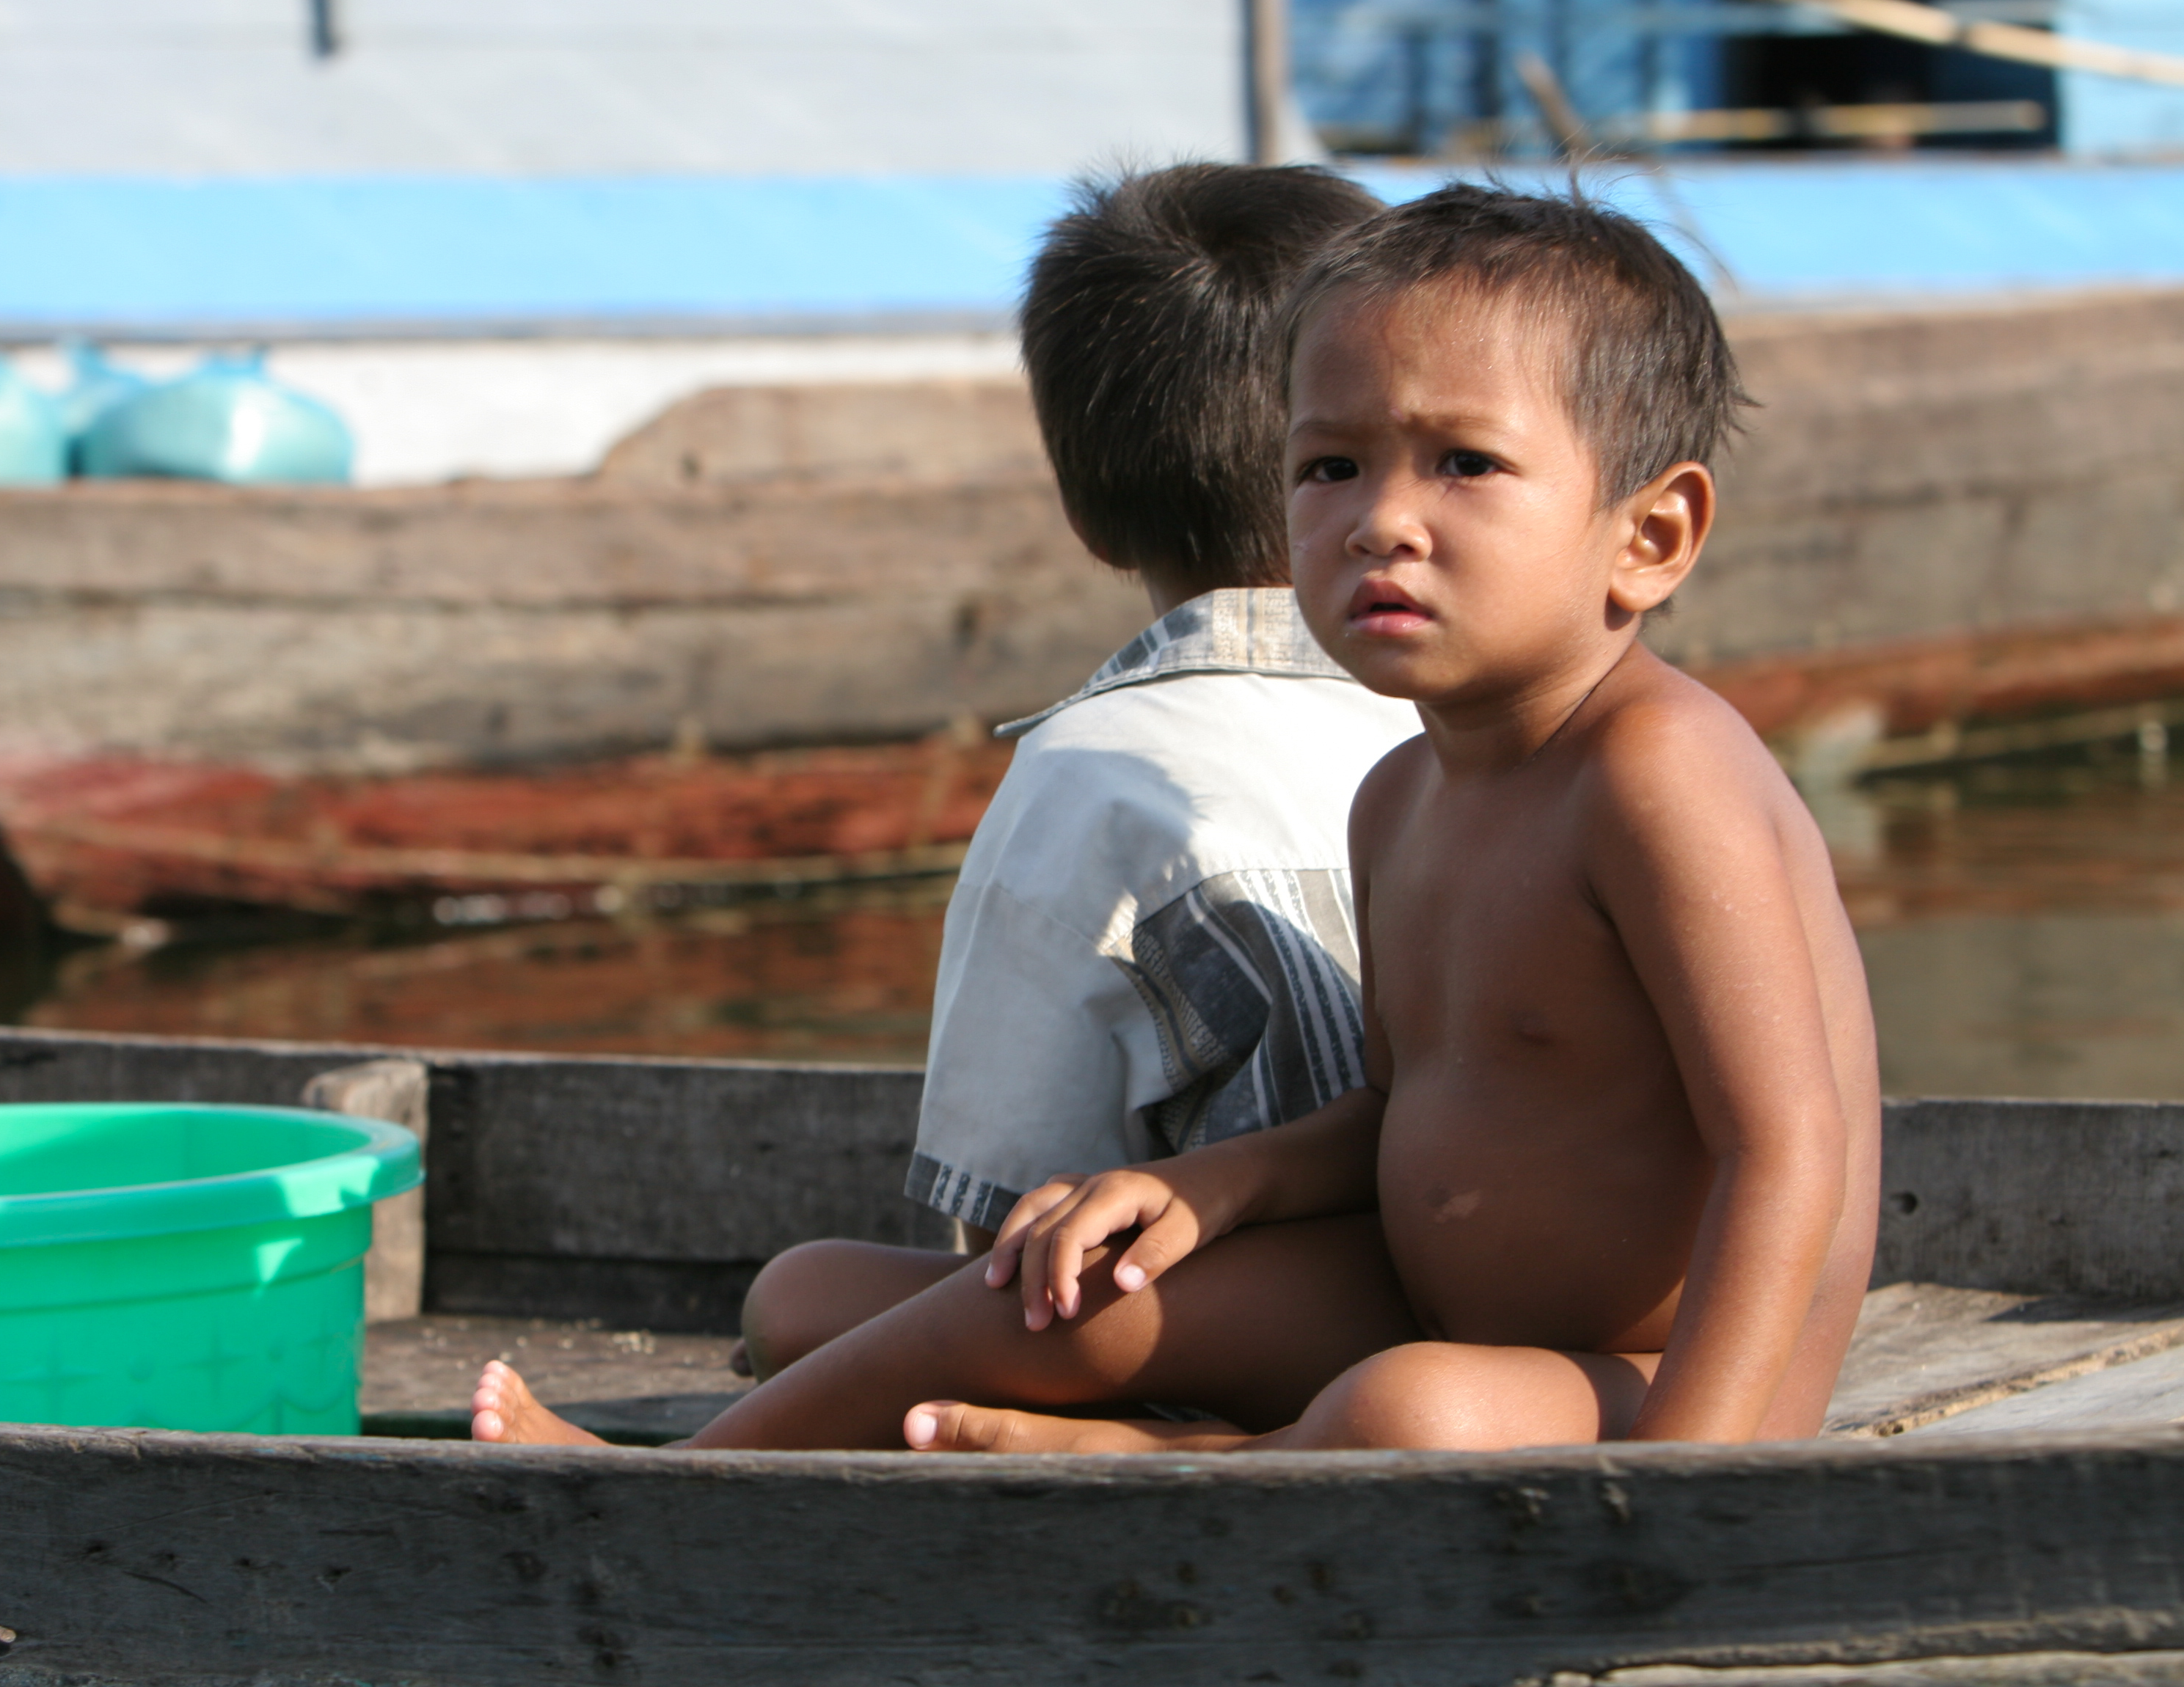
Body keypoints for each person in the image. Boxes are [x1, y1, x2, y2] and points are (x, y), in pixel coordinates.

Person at [469, 184, 1880, 1454]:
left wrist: (1695, 1480)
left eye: (1463, 463)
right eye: (1330, 466)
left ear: (1651, 537)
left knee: (1407, 1413)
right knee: (971, 1301)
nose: (1382, 520)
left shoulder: (1659, 776)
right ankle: (697, 1483)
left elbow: (1790, 1152)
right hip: (1406, 1296)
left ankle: (1168, 1466)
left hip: (1649, 1376)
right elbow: (1399, 1104)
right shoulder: (1403, 790)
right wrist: (1214, 1189)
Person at [726, 161, 1417, 1383]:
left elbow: (1009, 1241)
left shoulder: (1089, 771)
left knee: (800, 1298)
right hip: (1494, 1303)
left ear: (1090, 518)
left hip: (1264, 1349)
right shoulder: (1474, 714)